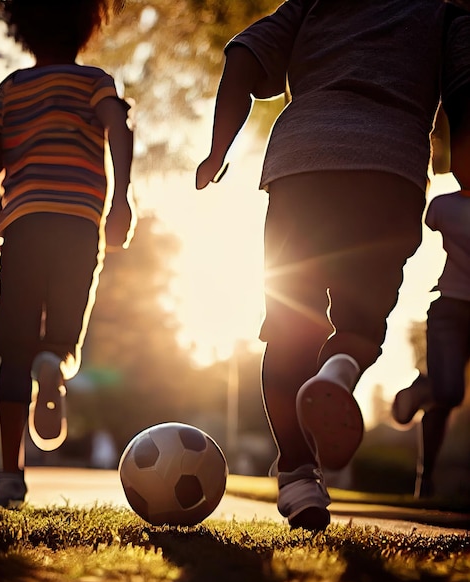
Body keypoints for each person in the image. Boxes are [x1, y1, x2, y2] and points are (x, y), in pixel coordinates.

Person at [196, 0, 469, 531]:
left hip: (303, 165)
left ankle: (298, 475)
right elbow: (466, 98)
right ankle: (339, 372)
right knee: (361, 326)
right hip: (389, 172)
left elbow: (243, 59)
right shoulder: (444, 14)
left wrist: (217, 149)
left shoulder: (316, 3)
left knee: (288, 329)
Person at [0, 0, 134, 508]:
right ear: (86, 26)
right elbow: (118, 128)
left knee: (14, 349)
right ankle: (55, 358)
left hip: (25, 221)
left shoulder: (12, 88)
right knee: (62, 331)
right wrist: (121, 197)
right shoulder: (95, 80)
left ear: (22, 28)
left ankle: (10, 477)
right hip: (80, 222)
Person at [392, 12, 470, 500]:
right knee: (447, 395)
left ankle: (427, 481)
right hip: (451, 309)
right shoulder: (445, 205)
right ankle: (423, 393)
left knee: (450, 397)